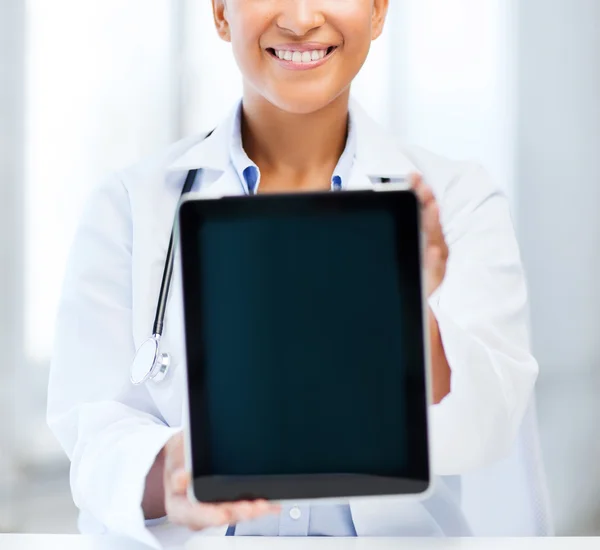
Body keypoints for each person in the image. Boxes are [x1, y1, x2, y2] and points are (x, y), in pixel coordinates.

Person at [47, 0, 538, 548]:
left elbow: (488, 428)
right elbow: (91, 434)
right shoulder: (131, 206)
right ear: (219, 12)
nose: (302, 18)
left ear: (378, 11)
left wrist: (407, 311)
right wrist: (170, 473)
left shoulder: (459, 200)